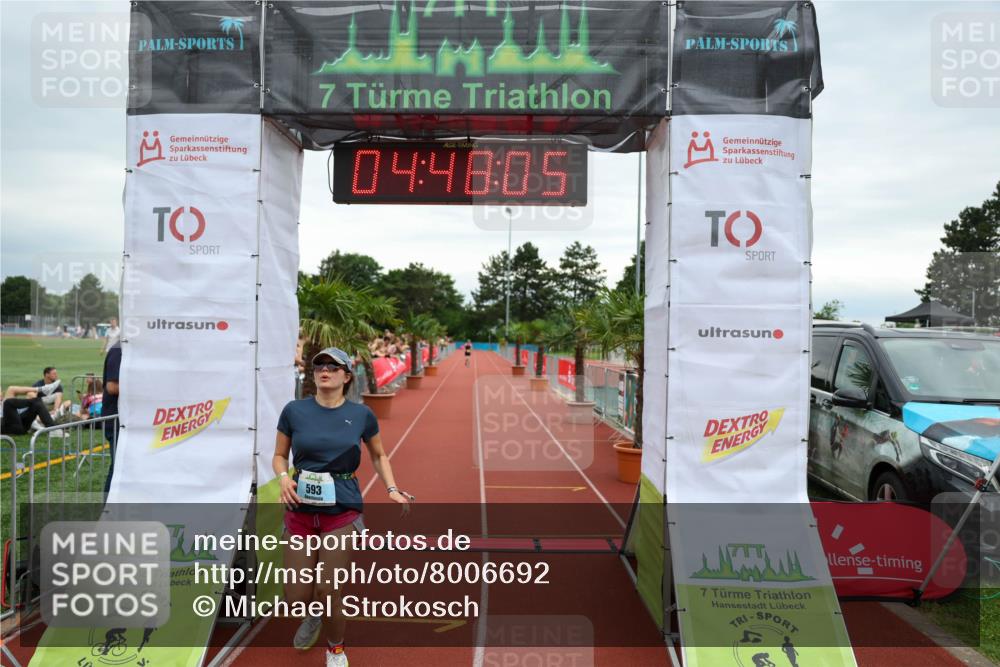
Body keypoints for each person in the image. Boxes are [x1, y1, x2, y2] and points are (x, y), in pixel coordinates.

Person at [273, 347, 411, 666]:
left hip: (342, 508)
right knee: (296, 597)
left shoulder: (361, 415)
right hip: (300, 509)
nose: (324, 369)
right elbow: (280, 455)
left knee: (328, 588)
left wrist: (391, 488)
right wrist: (282, 476)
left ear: (346, 376)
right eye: (319, 364)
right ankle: (314, 616)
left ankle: (336, 649)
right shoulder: (294, 411)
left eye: (333, 366)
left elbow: (378, 455)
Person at [102, 342, 122, 494]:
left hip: (127, 420)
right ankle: (108, 511)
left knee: (122, 467)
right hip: (116, 421)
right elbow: (112, 387)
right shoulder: (118, 350)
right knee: (118, 467)